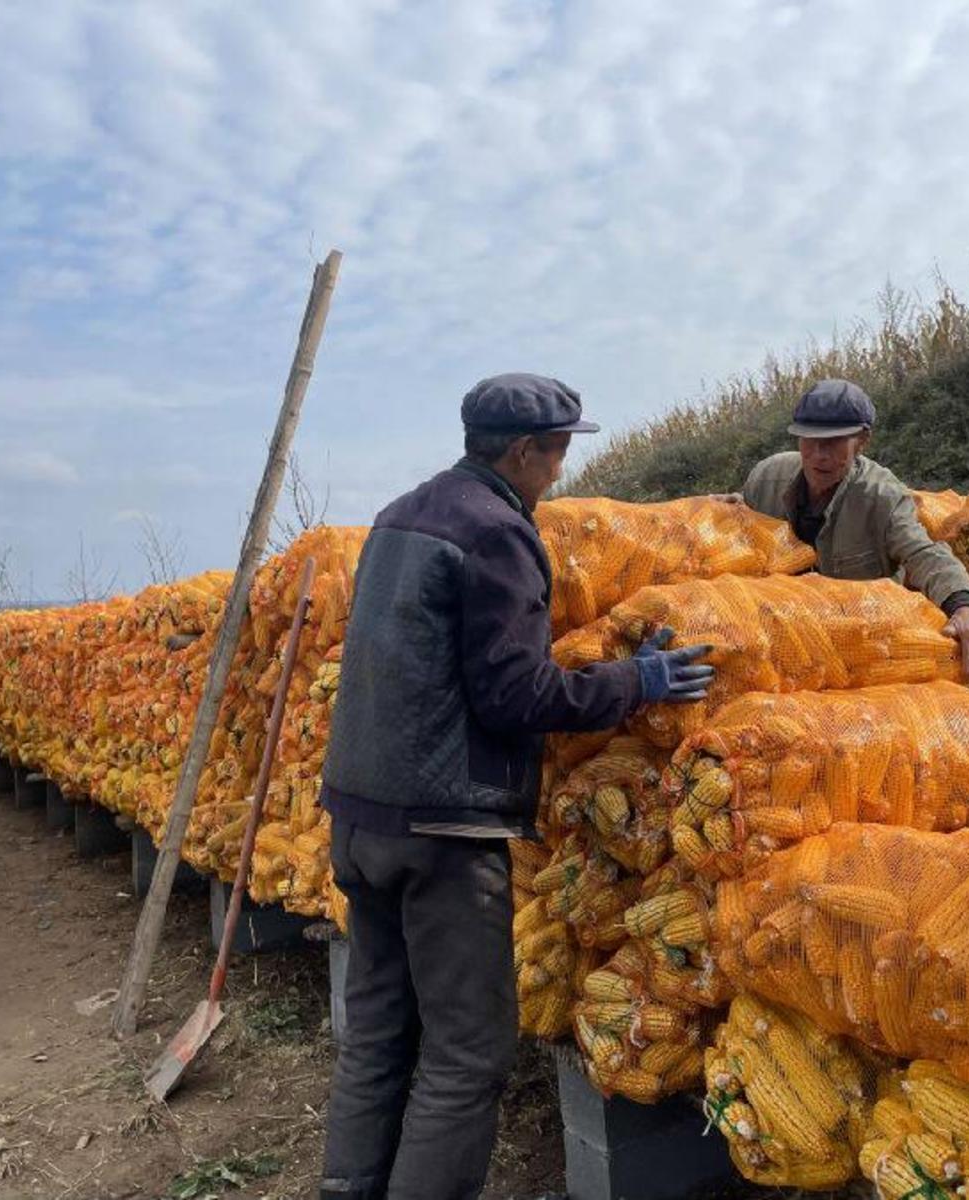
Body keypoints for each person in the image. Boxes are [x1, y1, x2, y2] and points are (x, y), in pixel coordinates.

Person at [317, 373, 712, 1200]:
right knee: (468, 1053)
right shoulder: (497, 533)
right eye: (560, 451)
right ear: (523, 451)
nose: (562, 472)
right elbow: (516, 695)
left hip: (360, 817)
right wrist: (634, 682)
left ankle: (348, 1187)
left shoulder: (399, 517)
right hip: (442, 830)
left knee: (381, 1031)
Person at [733, 378, 969, 682]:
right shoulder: (767, 478)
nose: (819, 455)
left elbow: (923, 553)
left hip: (863, 646)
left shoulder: (882, 497)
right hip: (782, 638)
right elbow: (737, 530)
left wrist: (964, 608)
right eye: (809, 440)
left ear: (862, 440)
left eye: (833, 442)